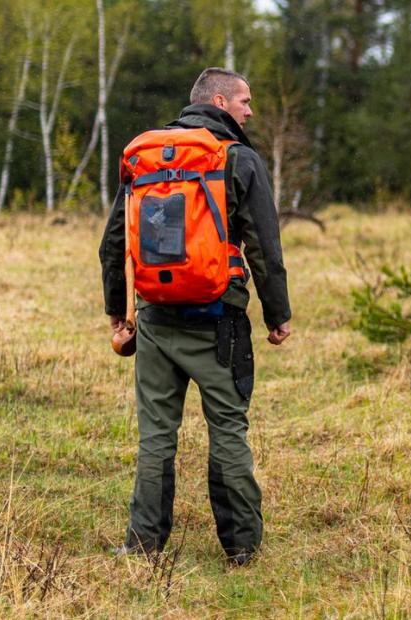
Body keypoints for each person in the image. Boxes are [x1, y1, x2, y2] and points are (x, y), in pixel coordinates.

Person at [98, 67, 291, 567]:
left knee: (156, 435)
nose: (251, 111)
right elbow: (265, 247)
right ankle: (242, 547)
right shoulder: (239, 159)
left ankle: (142, 546)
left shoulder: (146, 160)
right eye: (246, 101)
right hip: (219, 319)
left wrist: (117, 316)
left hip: (156, 317)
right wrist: (278, 314)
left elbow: (112, 244)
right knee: (227, 427)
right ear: (221, 100)